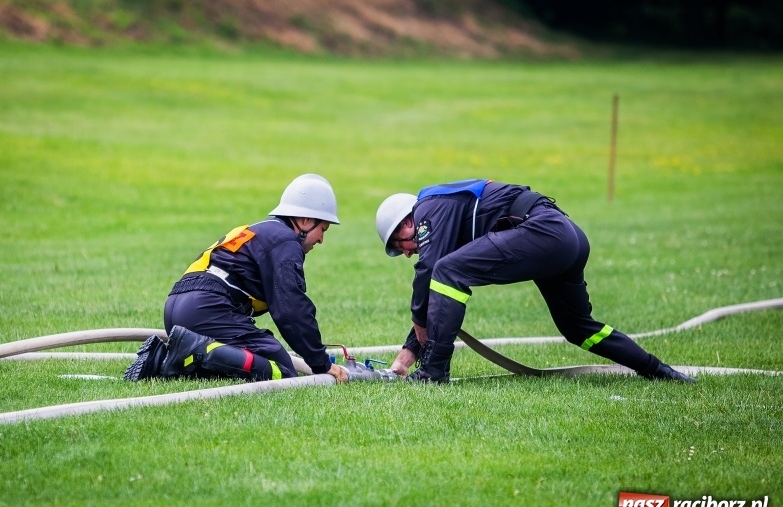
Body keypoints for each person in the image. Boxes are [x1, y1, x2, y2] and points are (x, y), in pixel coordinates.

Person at [375, 178, 696, 384]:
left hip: (544, 232)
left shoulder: (428, 208)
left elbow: (431, 270)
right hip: (567, 237)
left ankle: (433, 375)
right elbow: (437, 294)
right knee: (579, 329)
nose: (406, 254)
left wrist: (419, 318)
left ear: (406, 224)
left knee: (446, 272)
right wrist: (405, 357)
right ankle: (661, 372)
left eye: (399, 247)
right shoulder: (447, 219)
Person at [125, 173, 349, 384]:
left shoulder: (260, 231)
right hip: (207, 308)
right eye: (323, 229)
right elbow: (291, 309)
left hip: (179, 305)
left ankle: (162, 360)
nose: (321, 240)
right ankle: (189, 355)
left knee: (252, 357)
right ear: (305, 220)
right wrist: (320, 363)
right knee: (281, 368)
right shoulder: (285, 242)